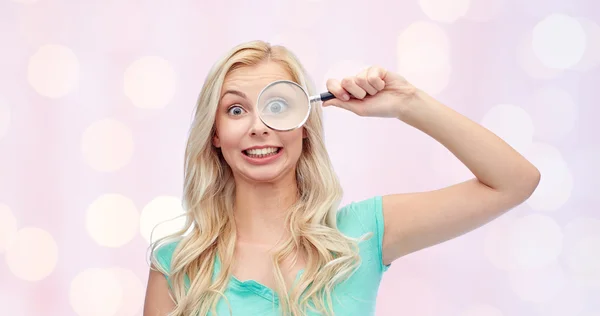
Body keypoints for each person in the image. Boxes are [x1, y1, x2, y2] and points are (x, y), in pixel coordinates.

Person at [143, 40, 540, 316]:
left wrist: (407, 103)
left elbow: (514, 181)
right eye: (235, 110)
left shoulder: (363, 234)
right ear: (214, 134)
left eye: (278, 105)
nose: (259, 126)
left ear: (304, 124)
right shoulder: (177, 264)